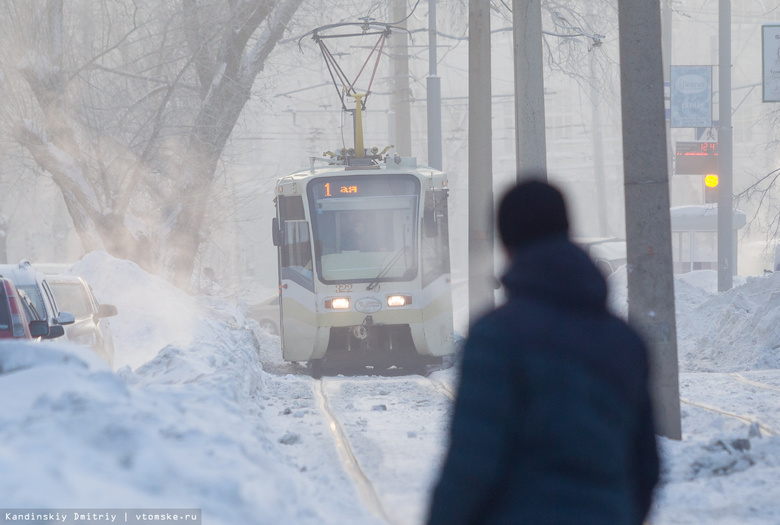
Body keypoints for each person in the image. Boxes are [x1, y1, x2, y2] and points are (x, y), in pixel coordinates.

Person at [427, 179, 659, 525]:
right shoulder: (624, 340)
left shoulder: (497, 336)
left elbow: (472, 463)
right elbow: (645, 467)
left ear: (506, 242)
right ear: (567, 227)